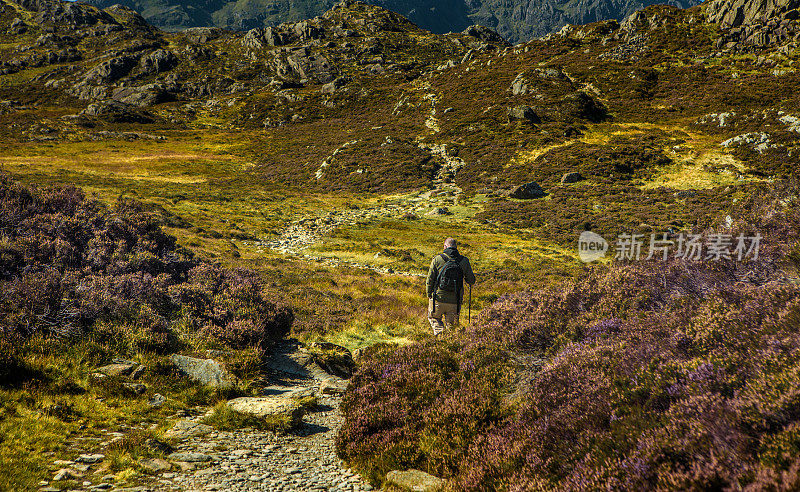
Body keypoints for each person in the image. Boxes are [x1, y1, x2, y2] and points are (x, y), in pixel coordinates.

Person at [426, 237, 475, 335]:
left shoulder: (437, 259)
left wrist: (429, 293)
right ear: (456, 247)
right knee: (452, 327)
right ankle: (451, 344)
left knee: (434, 318)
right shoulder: (464, 261)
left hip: (438, 299)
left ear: (445, 246)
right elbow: (471, 281)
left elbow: (430, 279)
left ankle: (439, 334)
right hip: (455, 301)